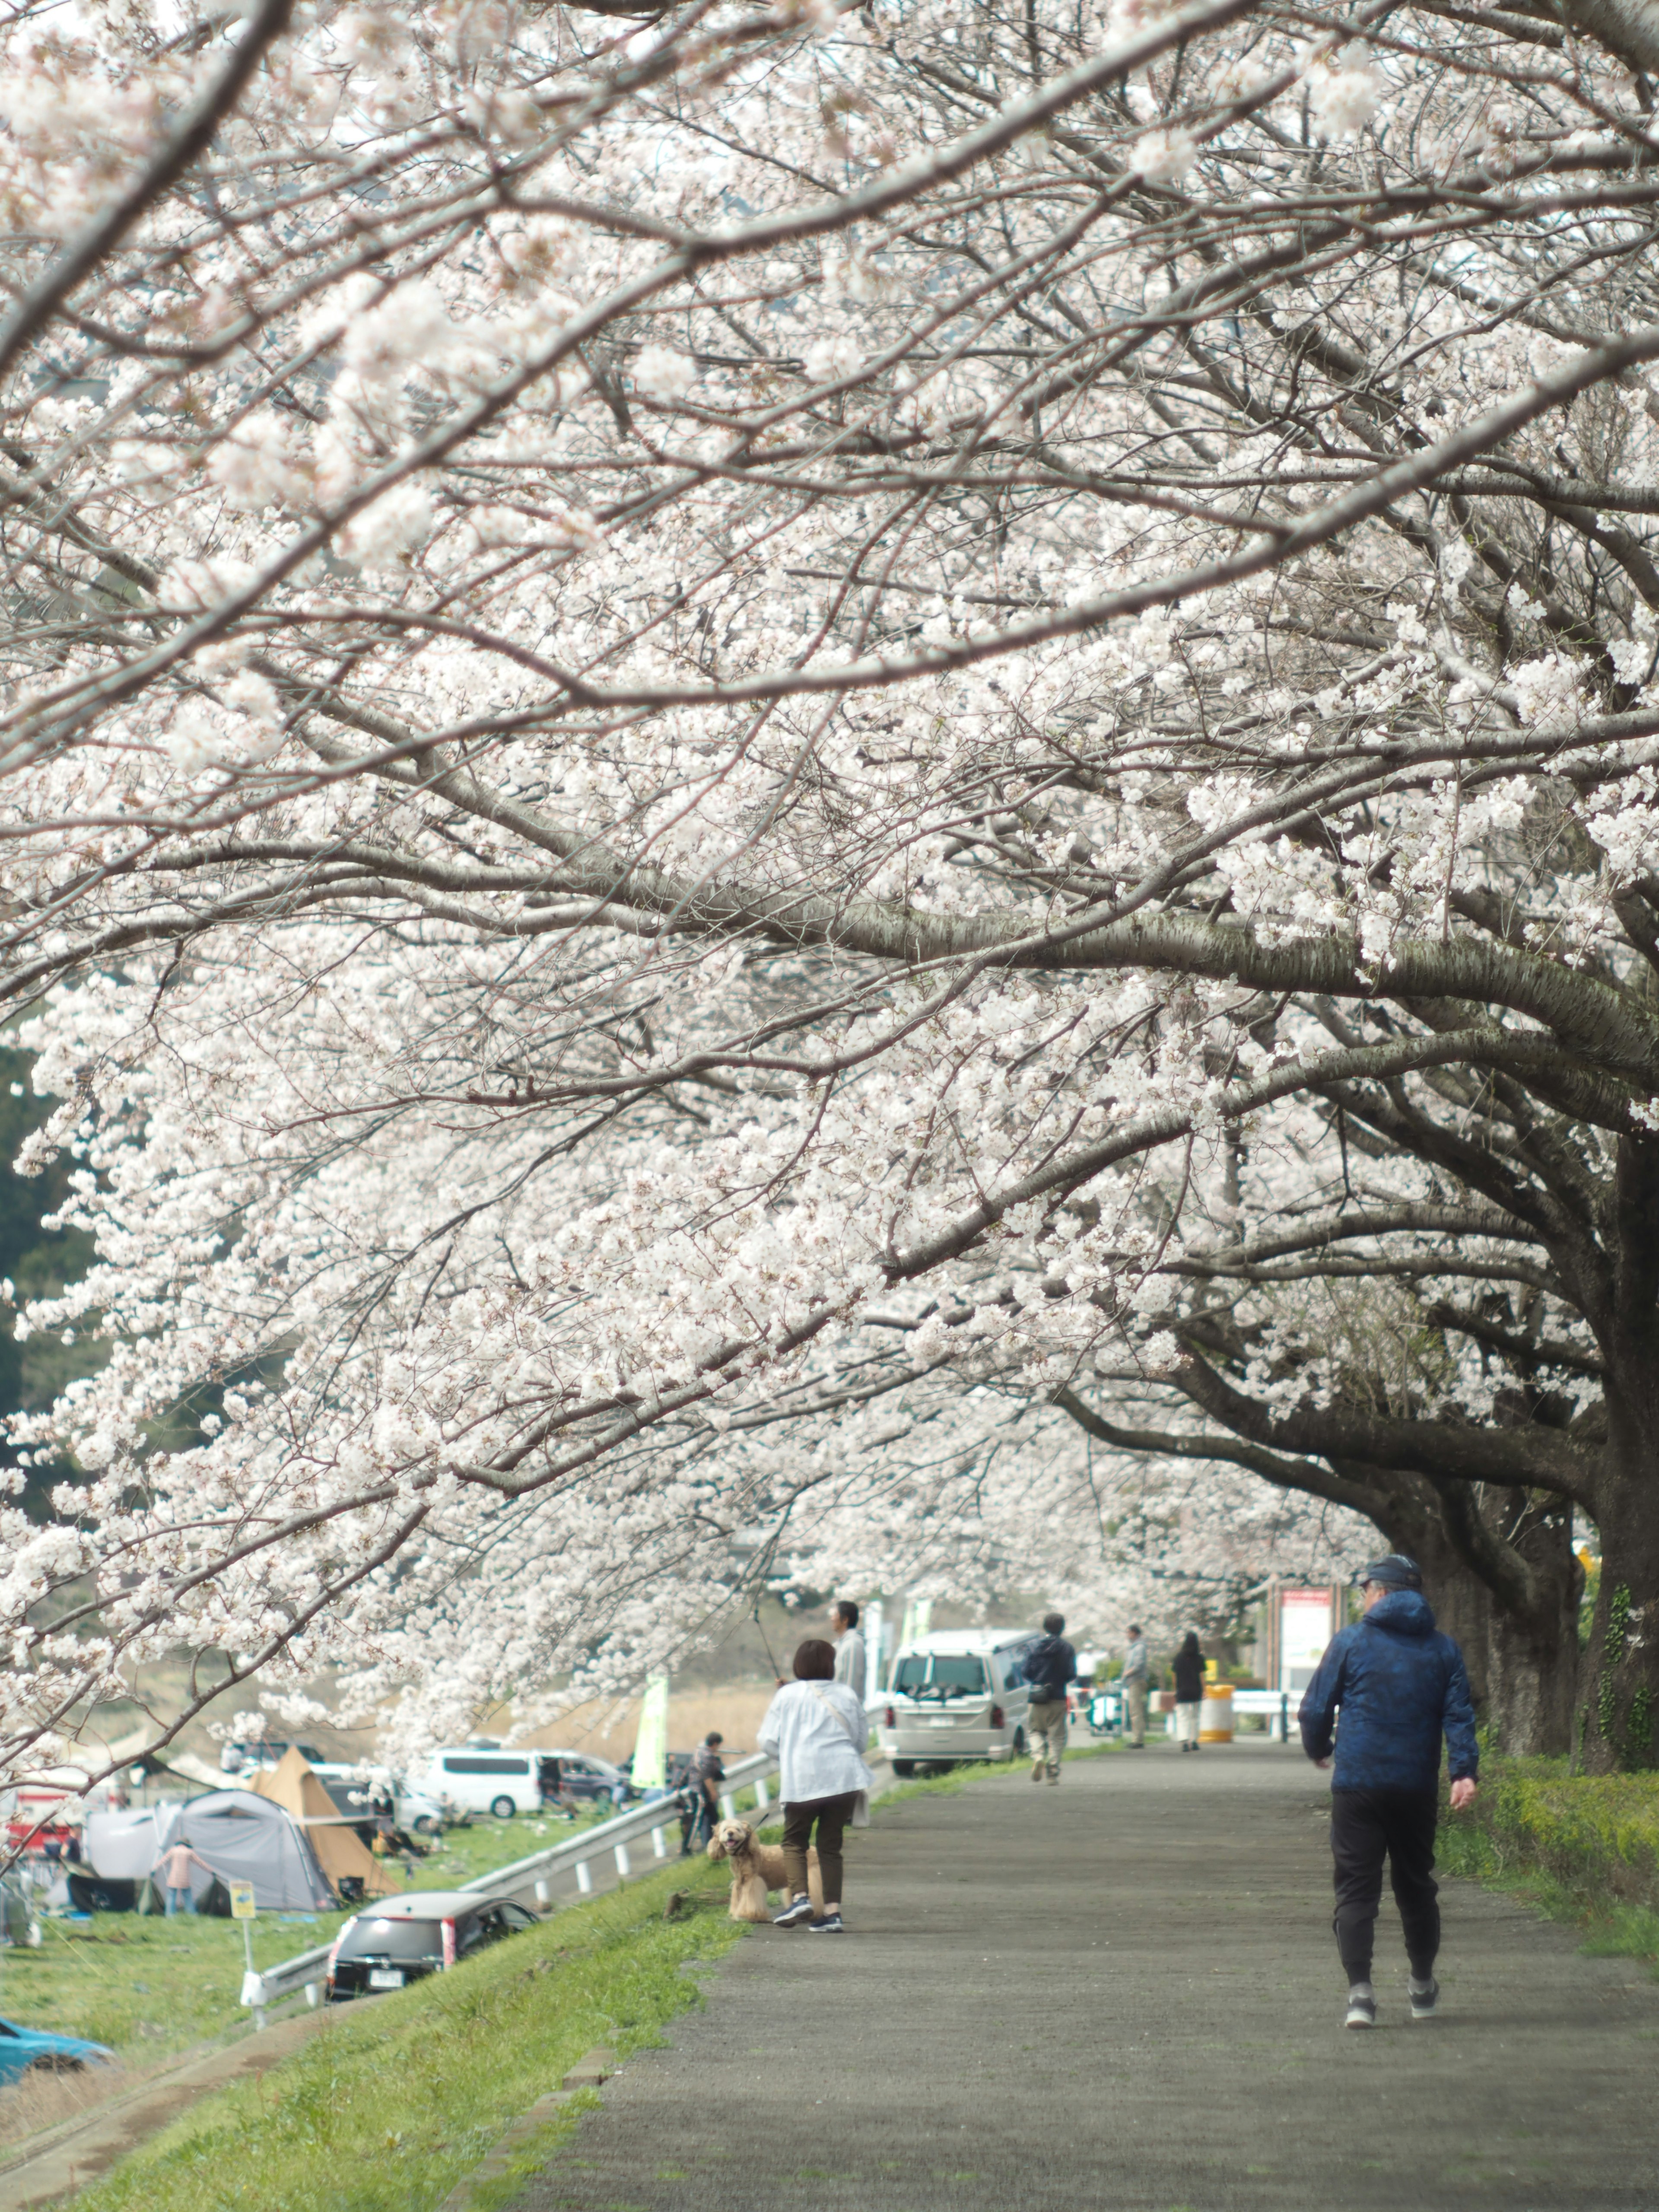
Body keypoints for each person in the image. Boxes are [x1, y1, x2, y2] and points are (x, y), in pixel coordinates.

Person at [1298, 1552, 1479, 2031]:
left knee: (1357, 1889)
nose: (1362, 1598)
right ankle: (1422, 1985)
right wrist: (1464, 1771)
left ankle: (1360, 1995)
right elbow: (1459, 1714)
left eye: (1364, 1590)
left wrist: (1319, 1746)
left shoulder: (1352, 1640)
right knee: (1416, 1887)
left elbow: (1316, 1706)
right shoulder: (1444, 1649)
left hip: (1358, 1784)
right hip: (1415, 1786)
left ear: (1379, 1592)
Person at [757, 1638, 873, 1934]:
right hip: (844, 1778)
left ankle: (800, 1899)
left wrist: (789, 1757)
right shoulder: (847, 1694)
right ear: (830, 1665)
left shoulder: (786, 1696)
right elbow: (860, 1741)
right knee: (830, 1847)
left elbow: (767, 1741)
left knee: (795, 1842)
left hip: (803, 1780)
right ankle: (832, 1914)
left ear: (799, 1665)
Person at [1020, 1612, 1078, 1783]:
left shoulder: (1032, 1646)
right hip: (1058, 1696)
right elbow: (1071, 1674)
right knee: (1057, 1736)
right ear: (1062, 1628)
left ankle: (1038, 1755)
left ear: (1044, 1626)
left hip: (1037, 1697)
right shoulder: (1067, 1648)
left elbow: (1025, 1671)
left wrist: (1038, 1681)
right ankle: (1052, 1772)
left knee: (1035, 1730)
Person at [680, 1732, 724, 1856]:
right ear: (715, 1744)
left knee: (714, 1817)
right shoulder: (708, 1756)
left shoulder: (699, 1751)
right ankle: (686, 1849)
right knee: (697, 1821)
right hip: (700, 1792)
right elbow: (707, 1777)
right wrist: (713, 1792)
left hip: (694, 1789)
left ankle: (712, 1844)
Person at [830, 1599, 867, 1707]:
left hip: (846, 1712)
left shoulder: (853, 1645)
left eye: (835, 1615)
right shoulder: (839, 1645)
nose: (832, 1619)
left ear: (845, 1620)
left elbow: (852, 1685)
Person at [159, 1839, 211, 1915]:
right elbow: (200, 1863)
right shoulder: (189, 1852)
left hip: (173, 1877)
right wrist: (211, 1871)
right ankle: (191, 1914)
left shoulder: (173, 1850)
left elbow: (163, 1861)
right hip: (185, 1879)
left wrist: (154, 1870)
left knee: (171, 1896)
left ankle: (170, 1915)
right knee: (188, 1897)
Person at [1172, 1631, 1205, 1751]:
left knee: (1182, 1716)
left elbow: (1174, 1675)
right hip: (1196, 1690)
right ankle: (1194, 1741)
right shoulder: (1199, 1658)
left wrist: (1176, 1689)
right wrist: (1204, 1690)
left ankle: (1184, 1741)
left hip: (1182, 1691)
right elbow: (1202, 1676)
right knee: (1195, 1716)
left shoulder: (1178, 1658)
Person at [1121, 1624, 1149, 1748]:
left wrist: (1127, 1673)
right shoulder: (1134, 1647)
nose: (1127, 1635)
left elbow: (1138, 1665)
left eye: (1129, 1633)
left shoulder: (1139, 1647)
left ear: (1135, 1633)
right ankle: (1137, 1738)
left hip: (1136, 1681)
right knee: (1135, 1710)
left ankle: (1138, 1740)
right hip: (1133, 1681)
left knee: (1136, 1710)